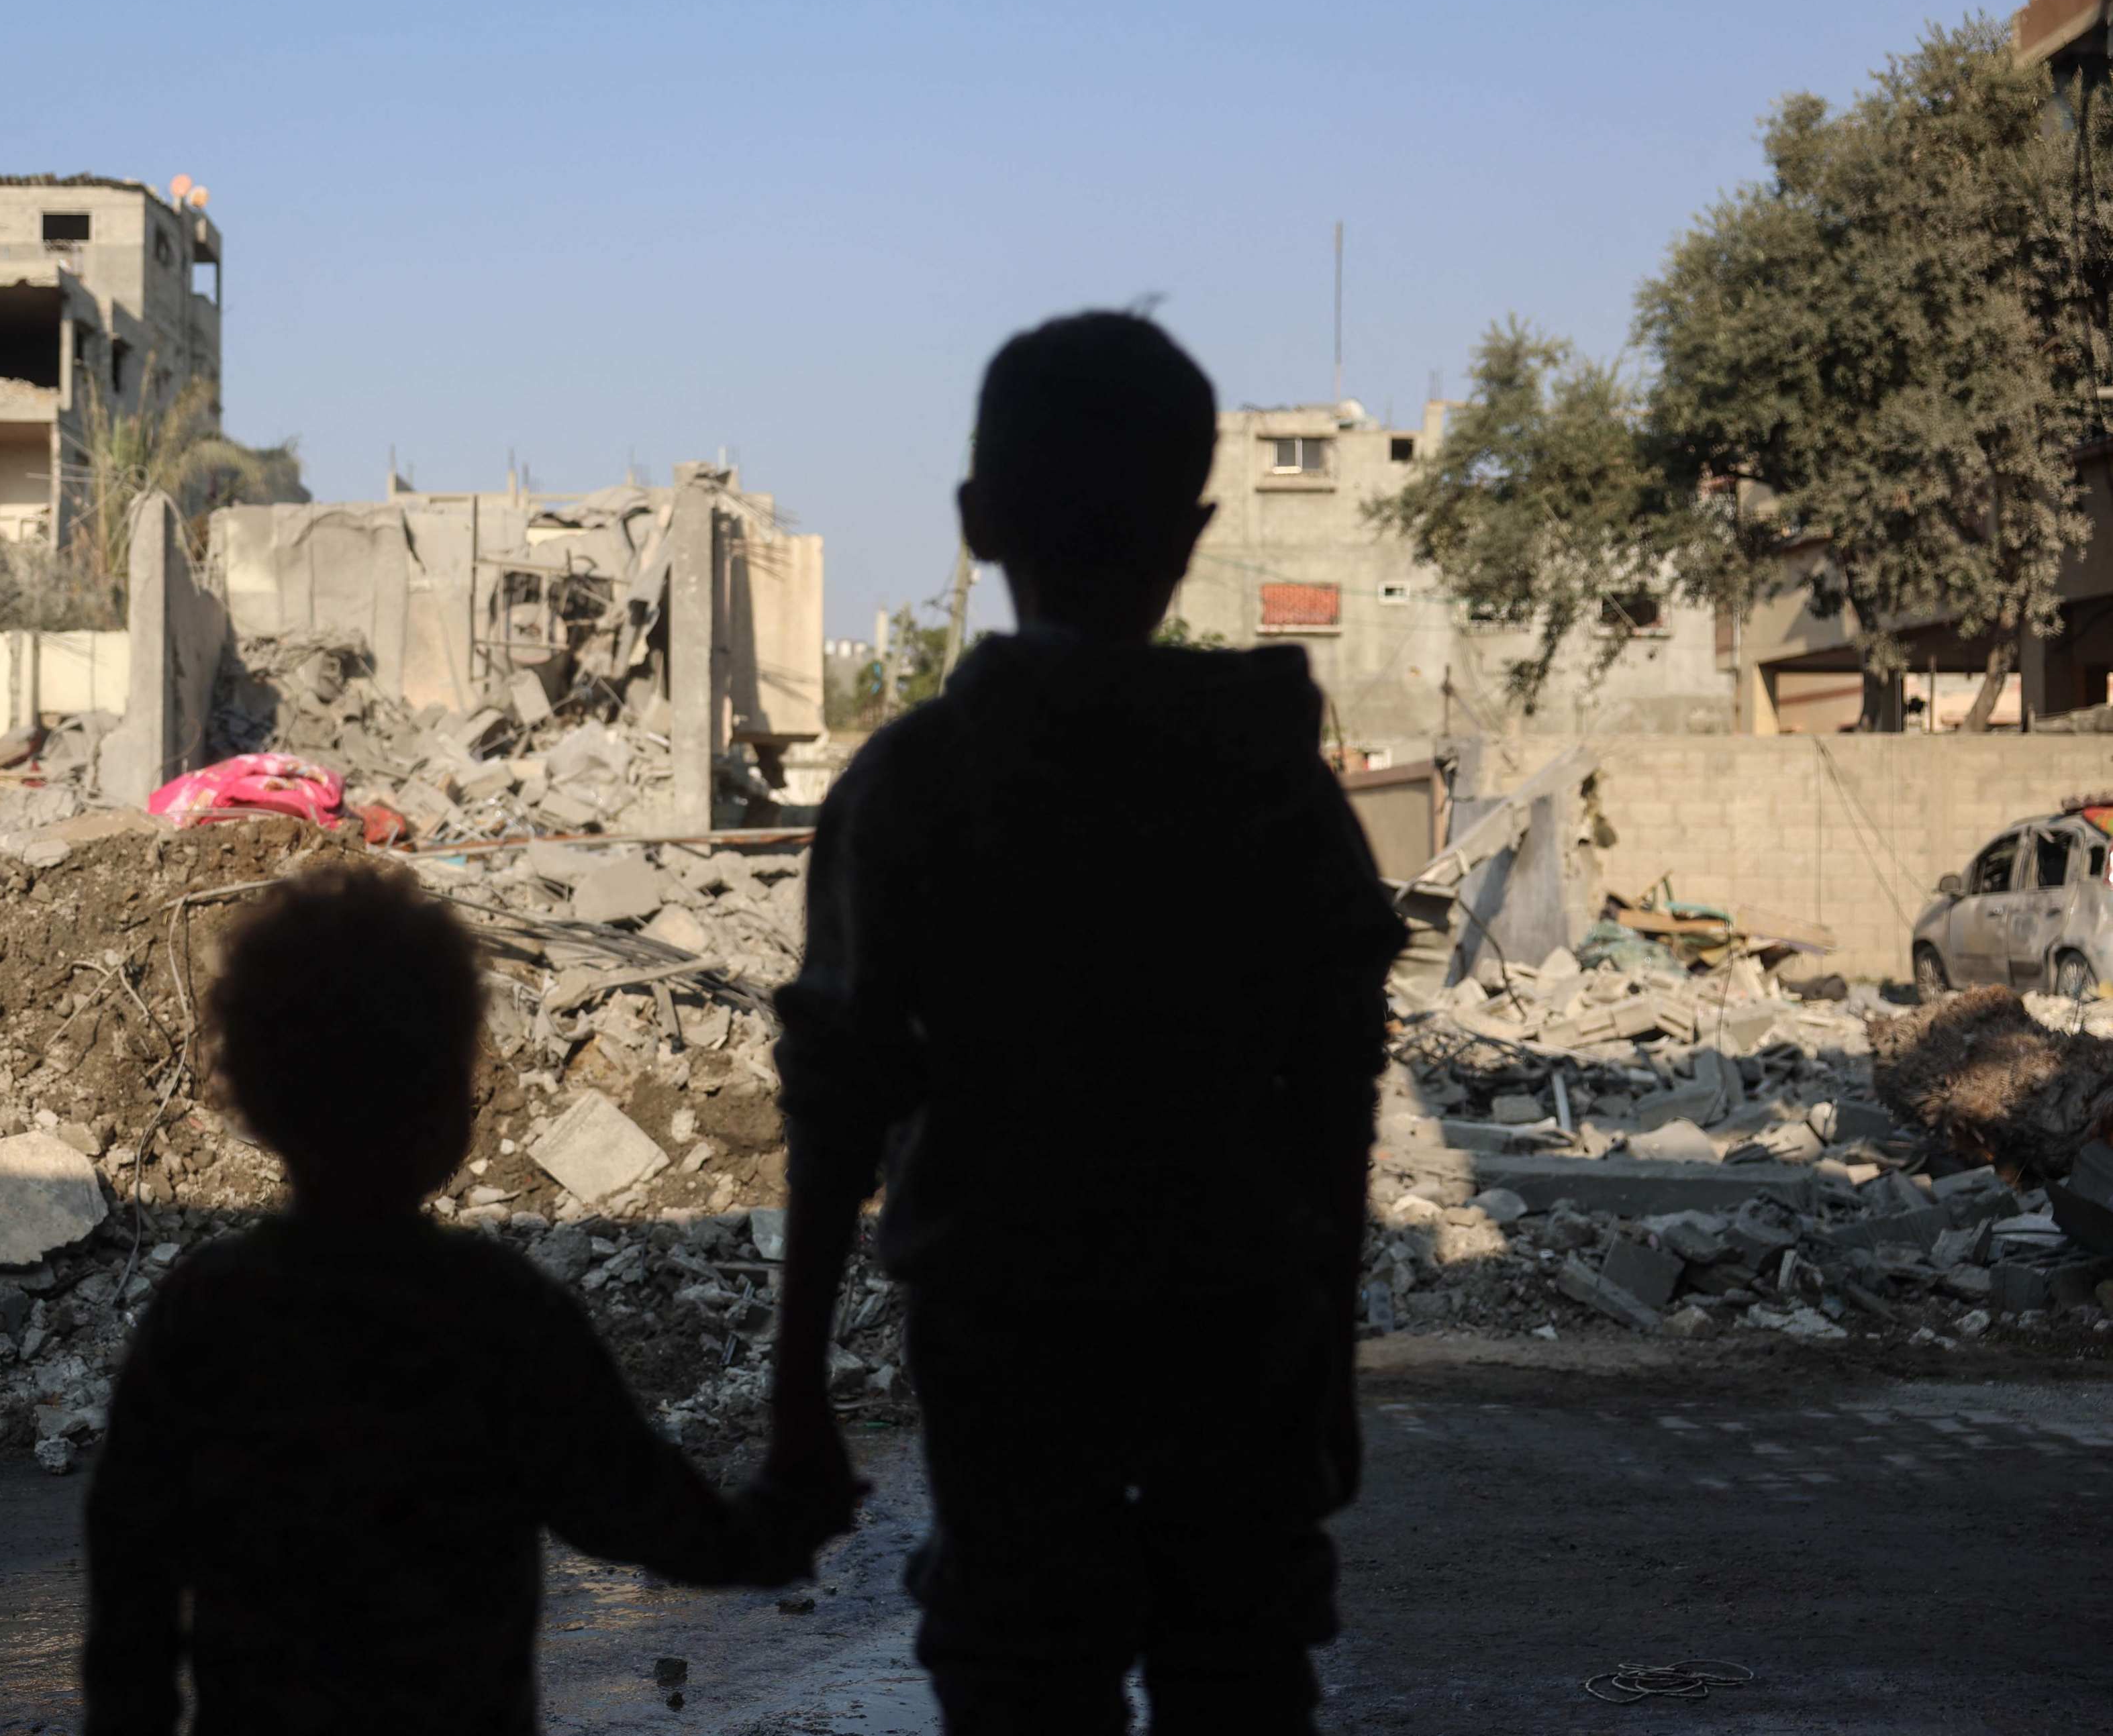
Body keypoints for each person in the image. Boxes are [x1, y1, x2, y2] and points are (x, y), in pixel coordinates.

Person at [760, 311, 1406, 1733]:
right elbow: (1337, 1088)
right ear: (1192, 533)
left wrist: (796, 1387)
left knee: (1017, 1670)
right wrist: (1329, 1358)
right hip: (1237, 1330)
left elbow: (836, 1099)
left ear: (976, 521)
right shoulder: (1271, 790)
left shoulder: (915, 784)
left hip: (1008, 1336)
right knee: (1237, 1667)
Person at [84, 862, 834, 1735]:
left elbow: (128, 1572)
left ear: (254, 1094)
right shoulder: (499, 1313)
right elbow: (637, 1509)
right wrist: (781, 1524)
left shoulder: (204, 1313)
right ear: (446, 1105)